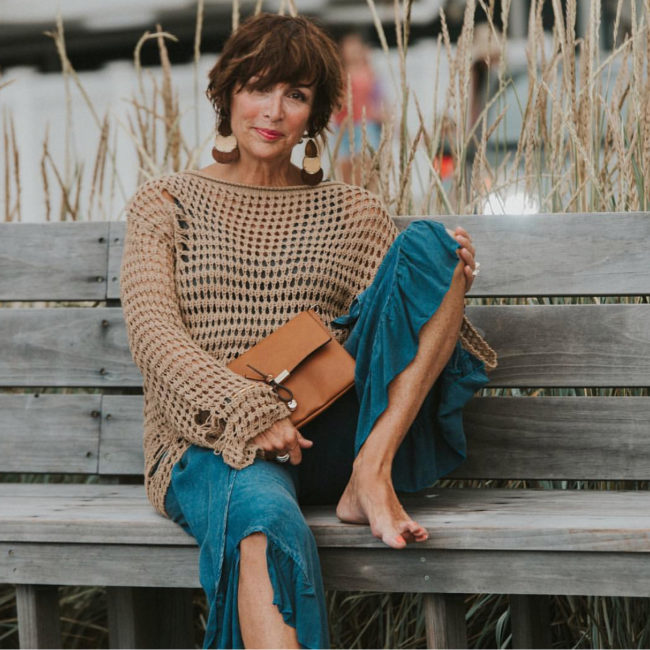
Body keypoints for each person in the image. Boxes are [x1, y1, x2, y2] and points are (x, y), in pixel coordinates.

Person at [120, 13, 496, 649]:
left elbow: (419, 334)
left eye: (295, 95)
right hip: (210, 439)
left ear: (315, 114)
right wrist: (245, 408)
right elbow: (153, 335)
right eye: (257, 88)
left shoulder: (351, 211)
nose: (273, 111)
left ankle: (368, 478)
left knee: (432, 246)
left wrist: (450, 274)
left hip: (332, 437)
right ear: (226, 95)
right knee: (262, 519)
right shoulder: (166, 203)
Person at [333, 32, 384, 184]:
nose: (352, 51)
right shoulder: (339, 72)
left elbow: (379, 97)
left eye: (355, 47)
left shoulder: (369, 71)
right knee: (344, 166)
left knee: (367, 163)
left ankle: (368, 196)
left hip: (364, 123)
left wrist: (383, 115)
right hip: (342, 125)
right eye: (348, 47)